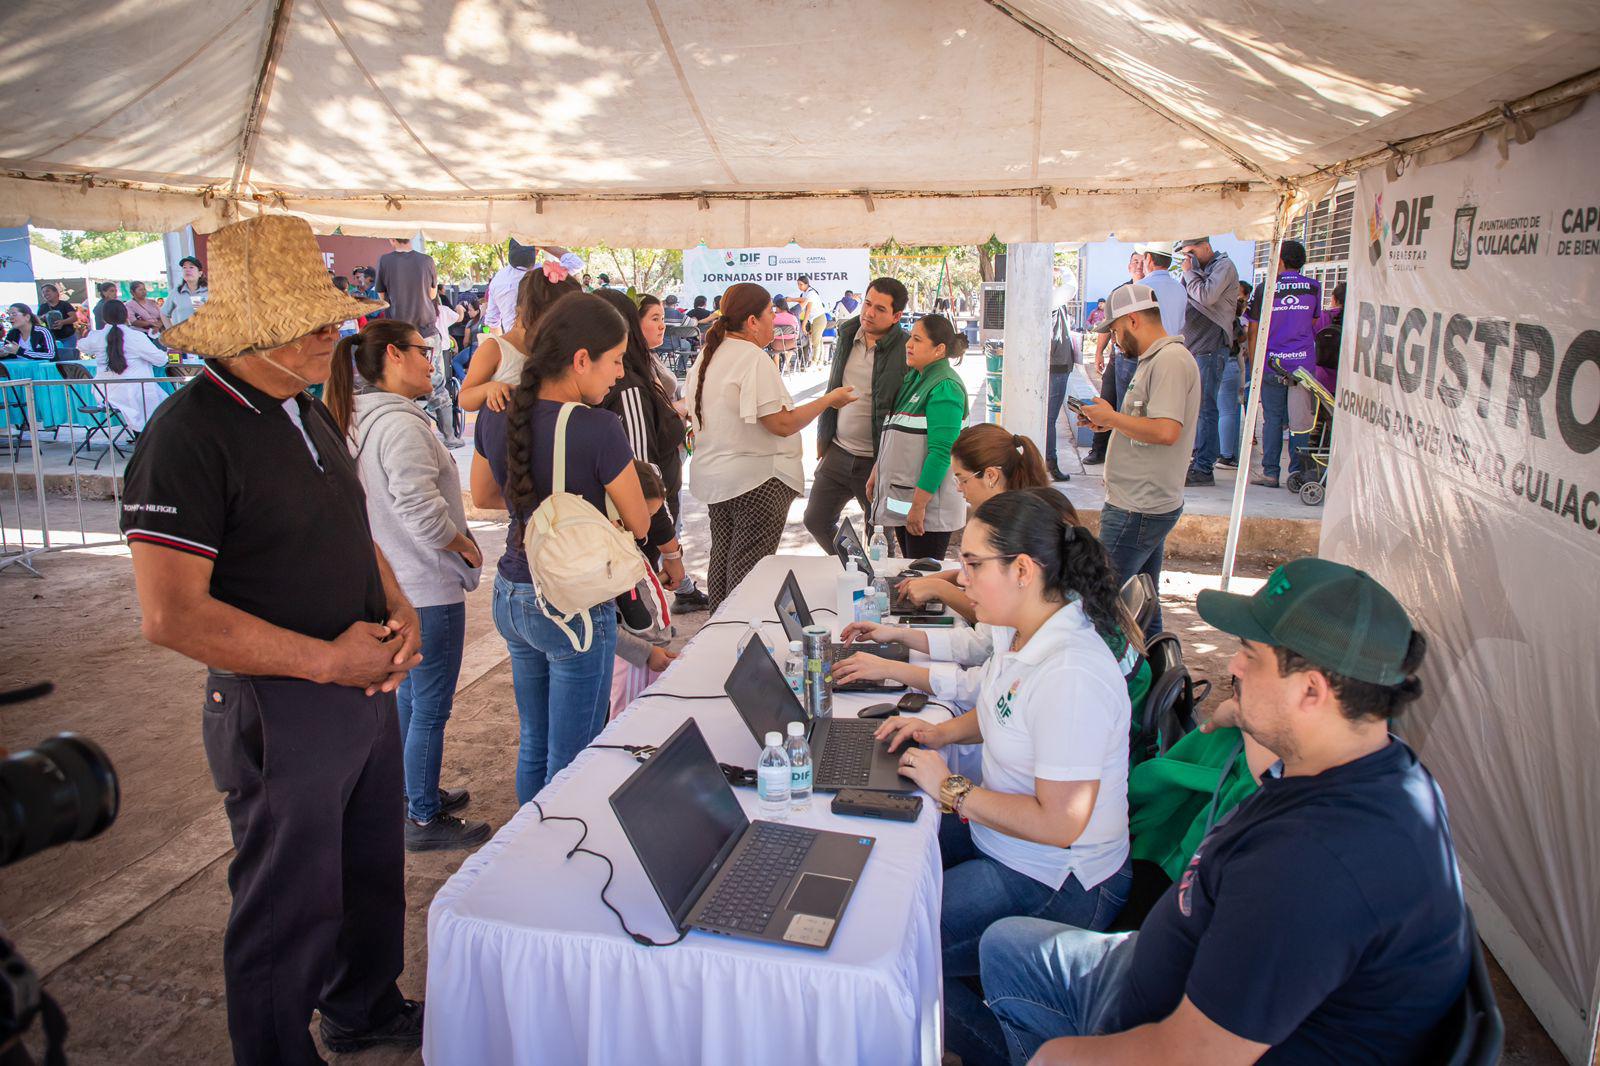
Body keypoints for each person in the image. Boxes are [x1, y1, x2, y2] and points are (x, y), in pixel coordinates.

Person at [119, 215, 424, 1064]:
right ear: (260, 331)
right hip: (281, 702)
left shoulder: (305, 410)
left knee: (369, 873)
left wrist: (398, 608)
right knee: (287, 907)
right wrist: (328, 660)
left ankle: (362, 1006)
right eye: (323, 324)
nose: (339, 337)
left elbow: (348, 527)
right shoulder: (188, 435)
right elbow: (171, 615)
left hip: (359, 688)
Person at [970, 559, 1469, 1066]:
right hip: (1149, 967)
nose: (1231, 667)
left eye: (1250, 655)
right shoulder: (1365, 760)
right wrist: (1249, 713)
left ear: (1312, 691)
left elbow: (1193, 1055)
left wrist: (1061, 1058)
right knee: (1004, 944)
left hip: (1171, 1029)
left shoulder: (1314, 867)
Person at [867, 491, 1134, 1046]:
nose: (960, 580)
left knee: (894, 944)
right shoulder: (1023, 632)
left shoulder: (1070, 672)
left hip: (1058, 877)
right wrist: (937, 733)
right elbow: (999, 711)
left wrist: (953, 789)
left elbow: (1061, 823)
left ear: (1023, 570)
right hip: (1010, 841)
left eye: (972, 563)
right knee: (881, 858)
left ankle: (1007, 1049)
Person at [321, 319, 490, 852]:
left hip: (393, 580)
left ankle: (412, 792)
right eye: (423, 350)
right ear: (393, 355)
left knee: (410, 700)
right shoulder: (401, 425)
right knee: (429, 705)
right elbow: (418, 506)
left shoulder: (359, 416)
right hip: (423, 585)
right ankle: (421, 816)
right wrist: (459, 542)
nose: (430, 360)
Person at [485, 293, 654, 800]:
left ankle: (527, 846)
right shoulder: (598, 427)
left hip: (511, 592)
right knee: (575, 754)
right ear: (582, 359)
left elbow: (488, 494)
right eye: (617, 360)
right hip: (571, 606)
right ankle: (559, 853)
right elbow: (640, 519)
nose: (619, 374)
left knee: (535, 742)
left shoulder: (498, 412)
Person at [685, 282, 857, 607]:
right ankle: (739, 639)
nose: (773, 320)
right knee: (749, 576)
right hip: (758, 481)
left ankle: (719, 635)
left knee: (722, 566)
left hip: (720, 479)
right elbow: (781, 423)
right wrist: (828, 400)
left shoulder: (710, 354)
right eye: (769, 313)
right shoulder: (752, 359)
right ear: (752, 321)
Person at [1079, 283, 1200, 635]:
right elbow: (1150, 424)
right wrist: (1109, 421)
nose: (1114, 340)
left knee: (1099, 600)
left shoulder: (1171, 361)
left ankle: (1123, 681)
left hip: (1139, 505)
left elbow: (1166, 431)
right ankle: (1162, 680)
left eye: (1115, 330)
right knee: (1143, 604)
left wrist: (1113, 419)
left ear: (1132, 320)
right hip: (1139, 500)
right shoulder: (1157, 361)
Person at [894, 424, 1051, 624]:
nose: (959, 489)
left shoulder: (1016, 526)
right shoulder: (1019, 509)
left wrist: (938, 588)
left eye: (962, 479)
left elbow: (994, 616)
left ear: (991, 475)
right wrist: (935, 580)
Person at [593, 288, 692, 591]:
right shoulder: (626, 389)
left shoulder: (626, 382)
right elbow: (643, 482)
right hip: (631, 542)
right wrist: (670, 551)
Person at [802, 276, 909, 551]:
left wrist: (888, 461)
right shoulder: (848, 334)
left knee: (881, 535)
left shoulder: (907, 349)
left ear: (897, 316)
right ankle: (856, 567)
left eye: (880, 309)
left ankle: (877, 586)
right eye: (867, 303)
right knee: (816, 520)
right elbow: (834, 386)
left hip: (877, 461)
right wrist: (824, 439)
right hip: (837, 452)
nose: (869, 313)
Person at [868, 313, 968, 560]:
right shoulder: (915, 378)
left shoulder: (945, 387)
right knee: (910, 570)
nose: (908, 345)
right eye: (910, 337)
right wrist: (877, 471)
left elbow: (942, 452)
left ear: (939, 349)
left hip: (927, 510)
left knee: (923, 580)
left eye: (917, 340)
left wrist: (919, 505)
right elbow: (895, 434)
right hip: (906, 500)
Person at [1246, 239, 1322, 489]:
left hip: (1272, 362)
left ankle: (1270, 473)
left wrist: (1256, 361)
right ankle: (1298, 473)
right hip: (1302, 364)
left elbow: (1254, 328)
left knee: (1272, 419)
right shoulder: (1313, 287)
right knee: (1301, 422)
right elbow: (1313, 323)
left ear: (1279, 260)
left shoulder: (1266, 288)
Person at [461, 261, 580, 413]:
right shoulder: (494, 348)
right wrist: (488, 389)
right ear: (526, 312)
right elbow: (465, 398)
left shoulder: (554, 348)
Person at [609, 460, 679, 717]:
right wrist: (646, 652)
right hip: (633, 659)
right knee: (627, 720)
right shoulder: (608, 551)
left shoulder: (624, 539)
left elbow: (632, 591)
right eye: (644, 516)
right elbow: (607, 622)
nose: (647, 527)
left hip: (649, 653)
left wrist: (656, 582)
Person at [1173, 237, 1239, 486]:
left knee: (1206, 409)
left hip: (1210, 348)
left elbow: (1206, 296)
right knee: (1195, 410)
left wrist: (1189, 273)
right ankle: (1196, 460)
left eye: (1190, 252)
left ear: (1205, 246)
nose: (1187, 259)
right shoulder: (1198, 270)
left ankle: (1204, 468)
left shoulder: (1224, 266)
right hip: (1193, 348)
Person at [77, 300, 170, 434]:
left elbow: (82, 345)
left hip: (106, 394)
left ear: (104, 318)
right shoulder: (136, 337)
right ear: (126, 316)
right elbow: (160, 360)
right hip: (138, 393)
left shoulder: (96, 337)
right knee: (167, 406)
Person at [1217, 279, 1255, 469]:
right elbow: (1241, 343)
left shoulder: (1215, 314)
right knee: (1229, 412)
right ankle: (1228, 455)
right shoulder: (1234, 319)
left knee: (1220, 411)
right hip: (1231, 363)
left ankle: (1225, 454)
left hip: (1217, 362)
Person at [1044, 299, 1078, 482]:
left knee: (1049, 419)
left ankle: (1049, 461)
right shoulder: (1053, 301)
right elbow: (1071, 282)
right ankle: (1051, 462)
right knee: (1049, 419)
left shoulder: (1056, 302)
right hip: (1056, 365)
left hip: (1058, 364)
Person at [484, 239, 536, 334]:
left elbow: (492, 321)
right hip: (544, 342)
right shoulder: (544, 272)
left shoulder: (498, 280)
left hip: (513, 341)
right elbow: (572, 262)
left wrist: (504, 346)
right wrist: (546, 247)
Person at [160, 256, 209, 331]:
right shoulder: (176, 292)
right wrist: (171, 332)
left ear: (200, 273)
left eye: (191, 267)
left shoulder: (210, 291)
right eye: (184, 268)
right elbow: (164, 313)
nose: (187, 270)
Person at [37, 283, 83, 360]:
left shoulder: (64, 304)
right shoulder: (43, 307)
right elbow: (37, 321)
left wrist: (63, 322)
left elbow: (74, 318)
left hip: (68, 337)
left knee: (68, 358)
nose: (45, 294)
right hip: (52, 338)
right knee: (55, 358)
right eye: (43, 292)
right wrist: (43, 317)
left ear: (56, 293)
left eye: (47, 291)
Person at [791, 274, 828, 367]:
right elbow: (802, 301)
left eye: (801, 284)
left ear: (806, 284)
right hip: (813, 319)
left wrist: (803, 325)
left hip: (819, 318)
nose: (799, 286)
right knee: (818, 341)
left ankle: (814, 362)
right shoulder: (805, 293)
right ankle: (819, 362)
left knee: (815, 341)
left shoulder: (811, 293)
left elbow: (808, 310)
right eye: (798, 284)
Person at [769, 294, 802, 372]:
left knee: (775, 351)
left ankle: (776, 369)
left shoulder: (773, 317)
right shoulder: (793, 317)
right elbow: (797, 336)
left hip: (776, 345)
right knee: (791, 346)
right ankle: (786, 364)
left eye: (775, 307)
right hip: (791, 344)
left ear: (779, 307)